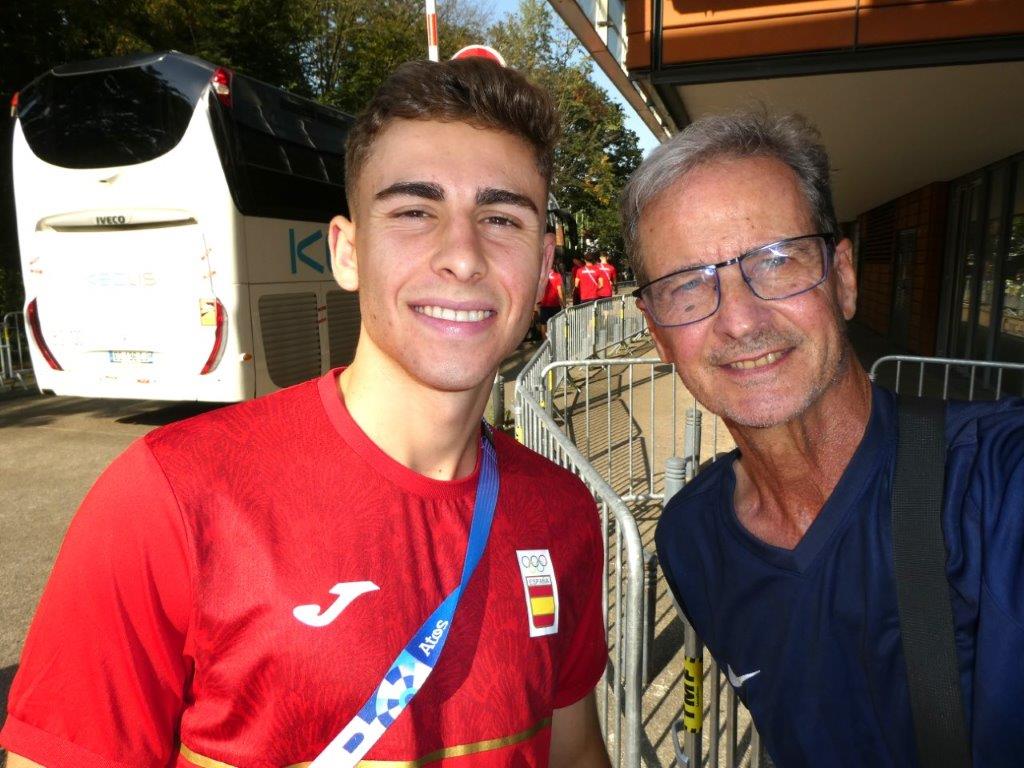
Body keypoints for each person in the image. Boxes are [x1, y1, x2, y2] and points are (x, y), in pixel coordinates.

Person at [2, 58, 611, 768]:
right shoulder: (171, 495)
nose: (462, 255)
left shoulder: (563, 512)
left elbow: (574, 753)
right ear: (347, 252)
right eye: (415, 212)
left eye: (501, 218)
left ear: (541, 269)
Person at [621, 110, 1024, 766]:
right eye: (687, 285)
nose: (740, 320)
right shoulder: (691, 540)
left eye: (777, 260)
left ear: (844, 278)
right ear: (659, 335)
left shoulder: (995, 486)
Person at [537, 260, 566, 338]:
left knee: (544, 324)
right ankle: (555, 339)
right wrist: (563, 304)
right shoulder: (557, 276)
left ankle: (545, 341)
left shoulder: (541, 276)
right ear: (553, 266)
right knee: (556, 323)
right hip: (555, 304)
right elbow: (559, 291)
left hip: (544, 304)